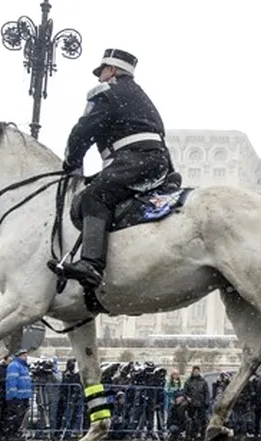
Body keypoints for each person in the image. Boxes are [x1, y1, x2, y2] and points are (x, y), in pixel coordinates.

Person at [59, 48, 173, 289]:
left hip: (133, 160)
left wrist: (71, 164)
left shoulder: (107, 92)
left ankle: (91, 264)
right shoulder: (141, 97)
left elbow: (83, 131)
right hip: (157, 162)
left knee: (95, 196)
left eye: (101, 72)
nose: (99, 77)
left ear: (111, 70)